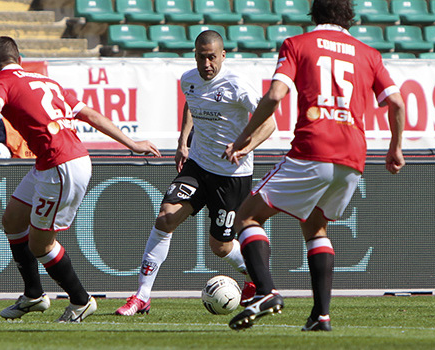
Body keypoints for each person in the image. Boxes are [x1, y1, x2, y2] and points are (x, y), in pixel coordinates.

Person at [0, 36, 161, 323]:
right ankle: (33, 294)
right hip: (55, 162)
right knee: (12, 220)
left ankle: (81, 301)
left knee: (40, 245)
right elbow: (90, 114)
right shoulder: (47, 81)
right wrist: (130, 142)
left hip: (61, 166)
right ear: (20, 59)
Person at [223, 0, 406, 331]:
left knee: (247, 216)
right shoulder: (368, 53)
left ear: (315, 13)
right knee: (316, 227)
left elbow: (276, 95)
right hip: (353, 157)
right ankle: (320, 316)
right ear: (348, 15)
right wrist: (395, 148)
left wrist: (243, 137)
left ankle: (265, 292)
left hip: (312, 148)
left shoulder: (298, 44)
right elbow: (395, 101)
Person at [115, 30, 276, 316]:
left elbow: (270, 124)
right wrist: (182, 142)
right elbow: (193, 104)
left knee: (221, 247)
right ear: (195, 55)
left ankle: (253, 274)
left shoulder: (238, 86)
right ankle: (142, 296)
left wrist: (242, 146)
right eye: (201, 57)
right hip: (199, 166)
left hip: (232, 175)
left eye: (212, 57)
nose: (206, 64)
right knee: (165, 217)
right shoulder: (188, 80)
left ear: (222, 55)